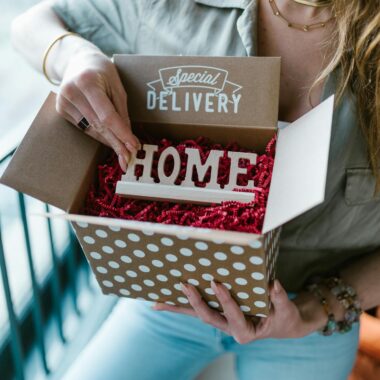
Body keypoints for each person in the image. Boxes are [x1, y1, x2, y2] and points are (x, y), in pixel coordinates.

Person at [11, 1, 380, 379]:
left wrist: (311, 313)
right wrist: (75, 57)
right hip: (170, 297)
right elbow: (32, 24)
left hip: (312, 312)